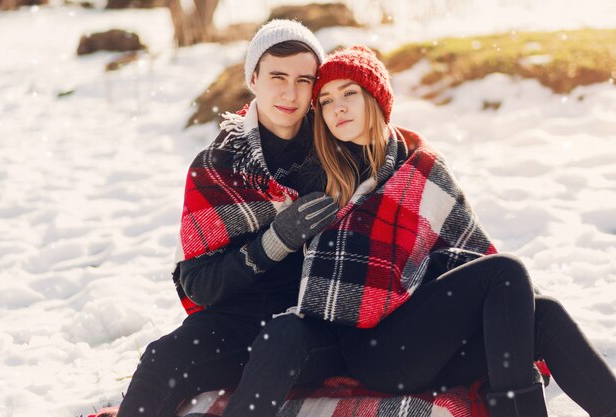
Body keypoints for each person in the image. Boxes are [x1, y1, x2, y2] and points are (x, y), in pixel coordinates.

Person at [221, 46, 616, 417]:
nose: (336, 107)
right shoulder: (320, 176)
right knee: (507, 272)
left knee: (542, 314)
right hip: (376, 350)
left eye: (349, 93)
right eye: (325, 101)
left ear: (375, 97)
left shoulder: (420, 164)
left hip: (429, 334)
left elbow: (469, 248)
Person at [112, 20, 341, 417]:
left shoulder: (337, 154)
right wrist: (274, 242)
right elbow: (200, 284)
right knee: (161, 359)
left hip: (312, 321)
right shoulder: (216, 166)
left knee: (279, 343)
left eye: (304, 80)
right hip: (237, 319)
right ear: (253, 78)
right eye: (277, 77)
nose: (290, 92)